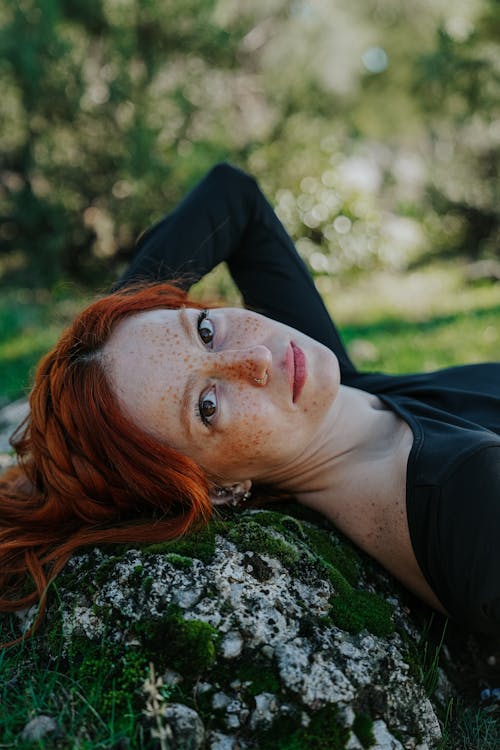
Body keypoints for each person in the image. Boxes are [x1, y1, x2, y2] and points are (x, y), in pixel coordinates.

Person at [0, 163, 499, 642]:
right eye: (208, 407)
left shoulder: (334, 393)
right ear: (218, 490)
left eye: (205, 329)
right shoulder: (470, 497)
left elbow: (232, 196)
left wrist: (112, 342)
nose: (255, 357)